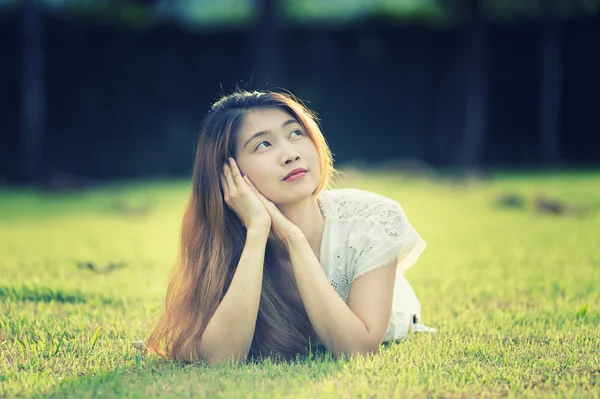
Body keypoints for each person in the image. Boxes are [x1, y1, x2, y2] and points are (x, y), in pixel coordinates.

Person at [137, 89, 434, 366]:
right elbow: (222, 358)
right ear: (229, 173)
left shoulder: (372, 219)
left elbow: (357, 349)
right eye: (263, 144)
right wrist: (256, 232)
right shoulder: (224, 241)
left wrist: (294, 240)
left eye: (296, 133)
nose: (290, 153)